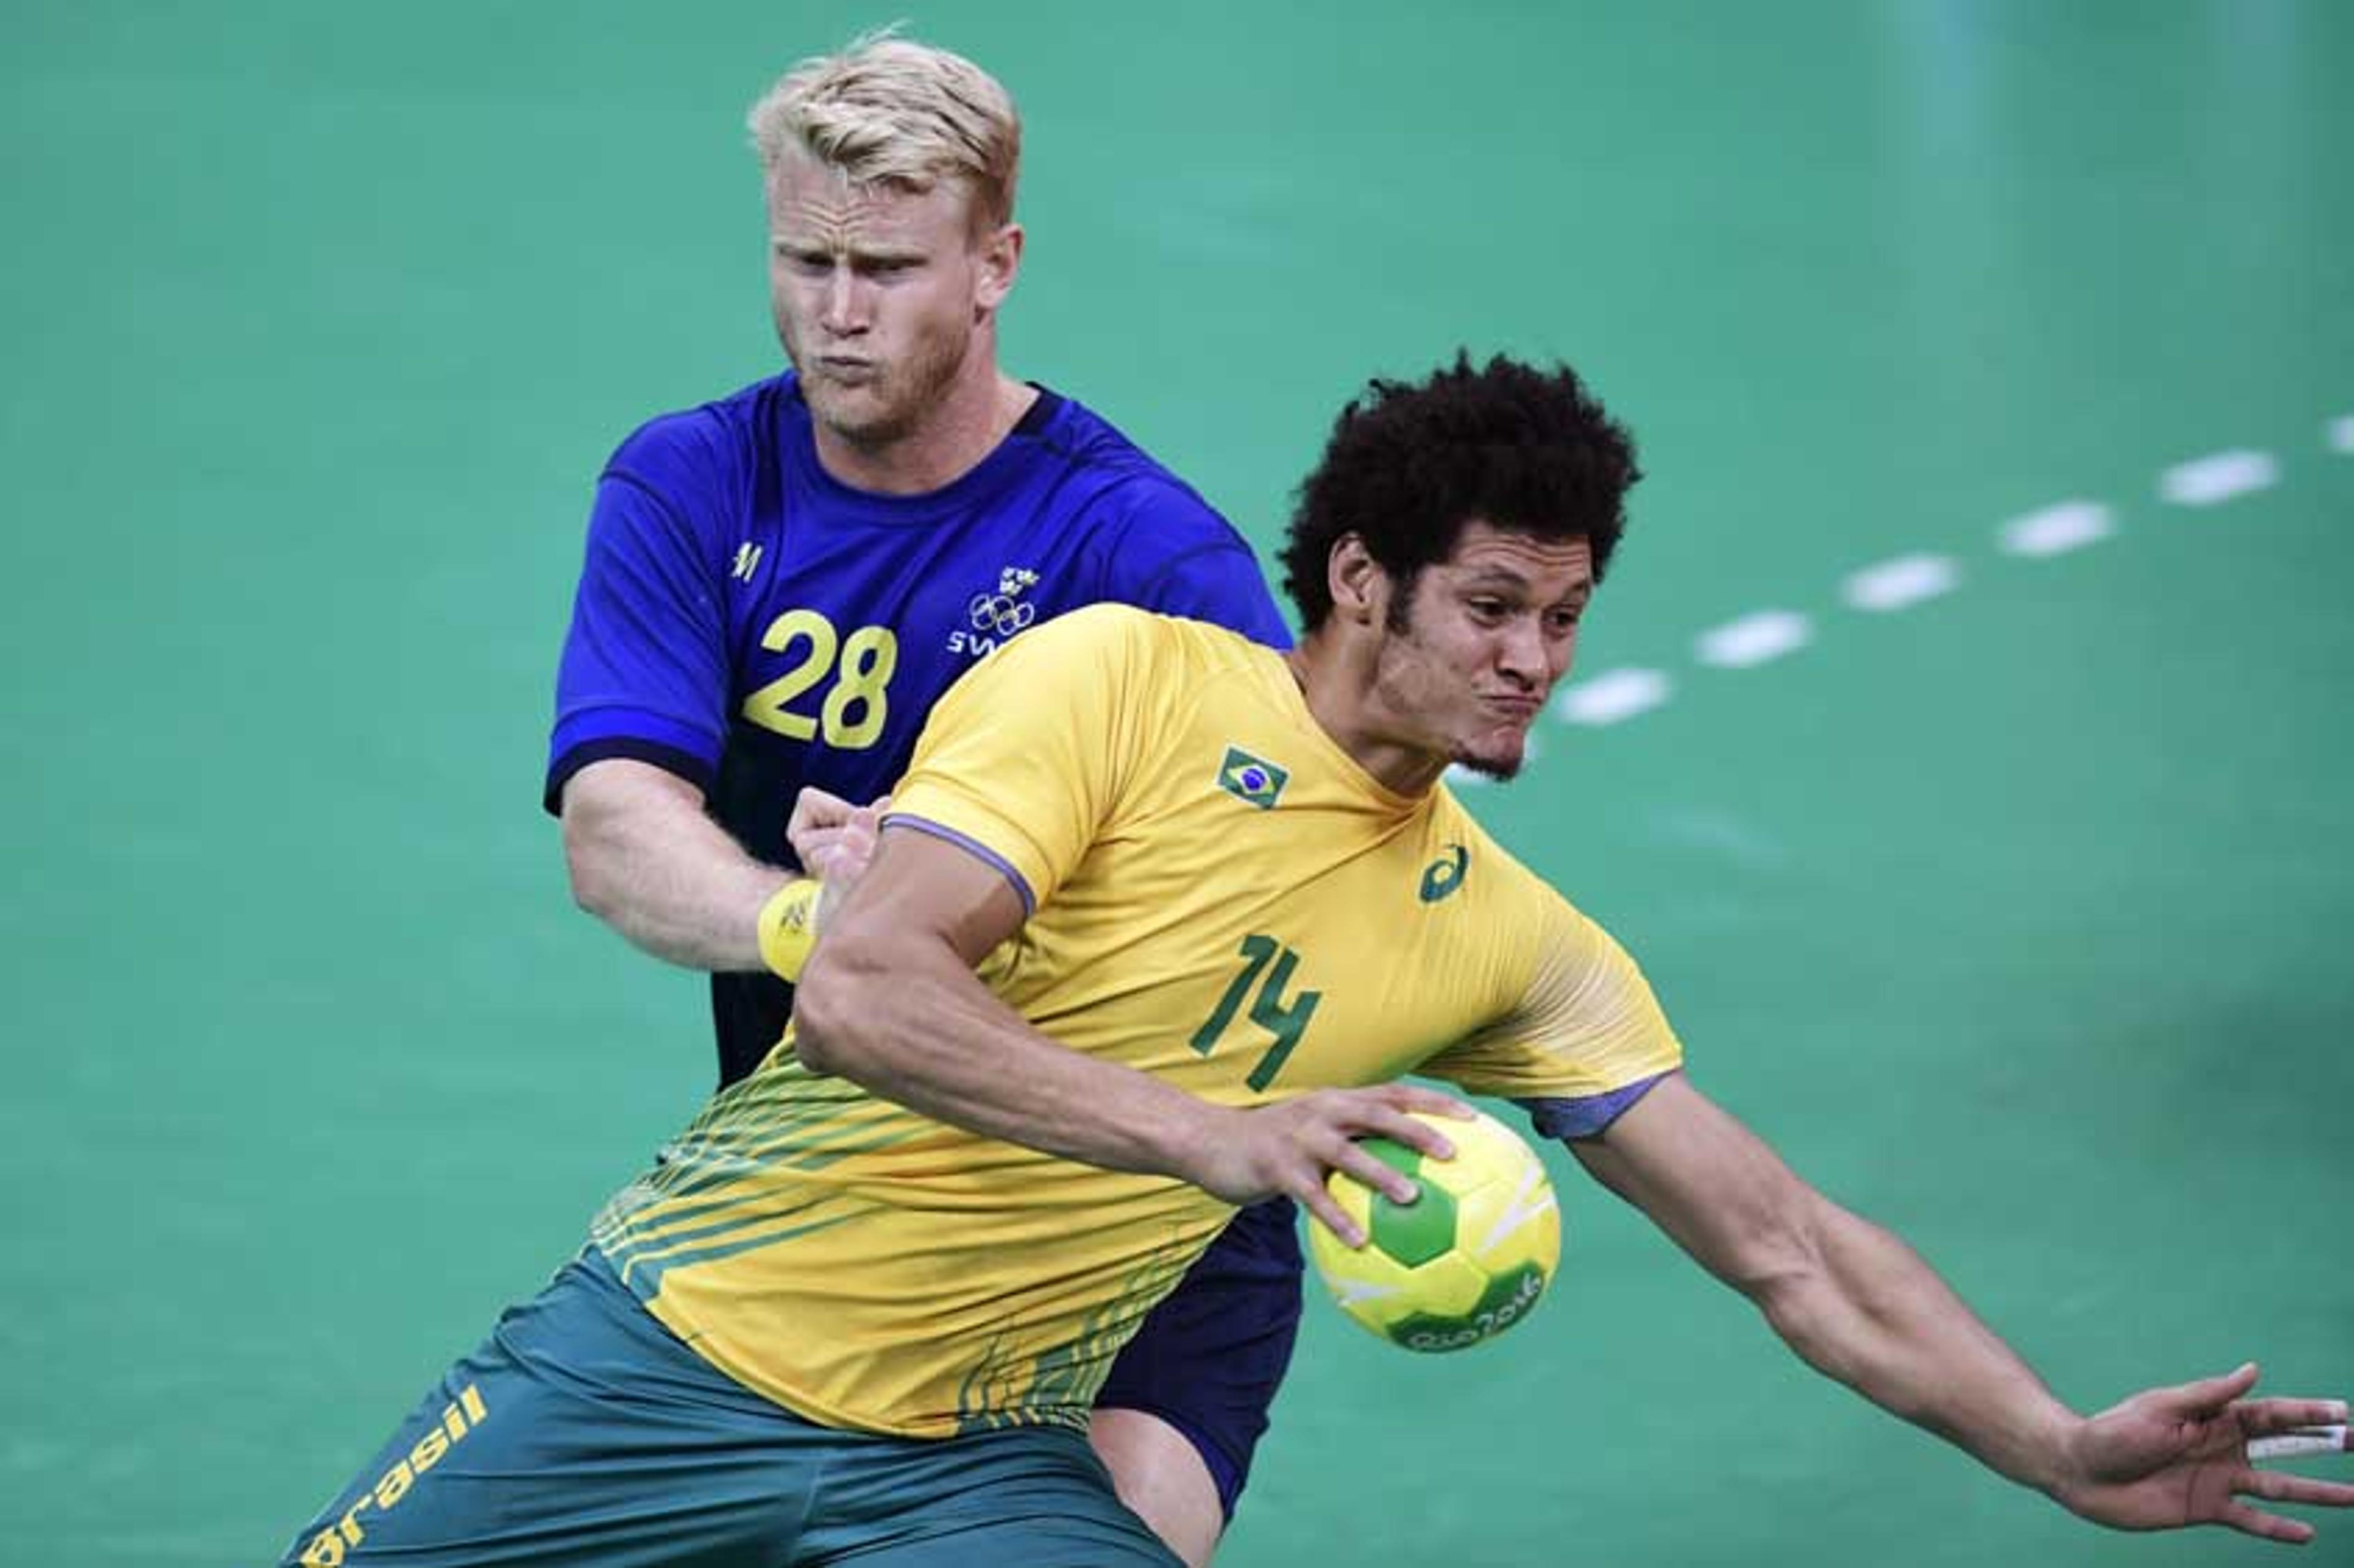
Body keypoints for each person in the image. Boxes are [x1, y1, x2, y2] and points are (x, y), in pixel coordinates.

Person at [287, 353, 2350, 1566]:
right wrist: (1211, 1133)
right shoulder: (1118, 683)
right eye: (1494, 606)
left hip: (972, 1470)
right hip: (670, 1350)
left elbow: (1789, 1240)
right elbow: (866, 987)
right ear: (1360, 578)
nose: (1535, 659)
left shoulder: (1513, 938)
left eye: (1565, 613)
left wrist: (2049, 1436)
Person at [543, 32, 1296, 1561]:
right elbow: (617, 833)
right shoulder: (693, 486)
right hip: (817, 1213)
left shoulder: (1143, 556)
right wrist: (833, 923)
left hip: (1131, 1238)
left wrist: (985, 888)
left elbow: (1280, 881)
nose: (835, 313)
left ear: (995, 264)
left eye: (884, 266)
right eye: (803, 258)